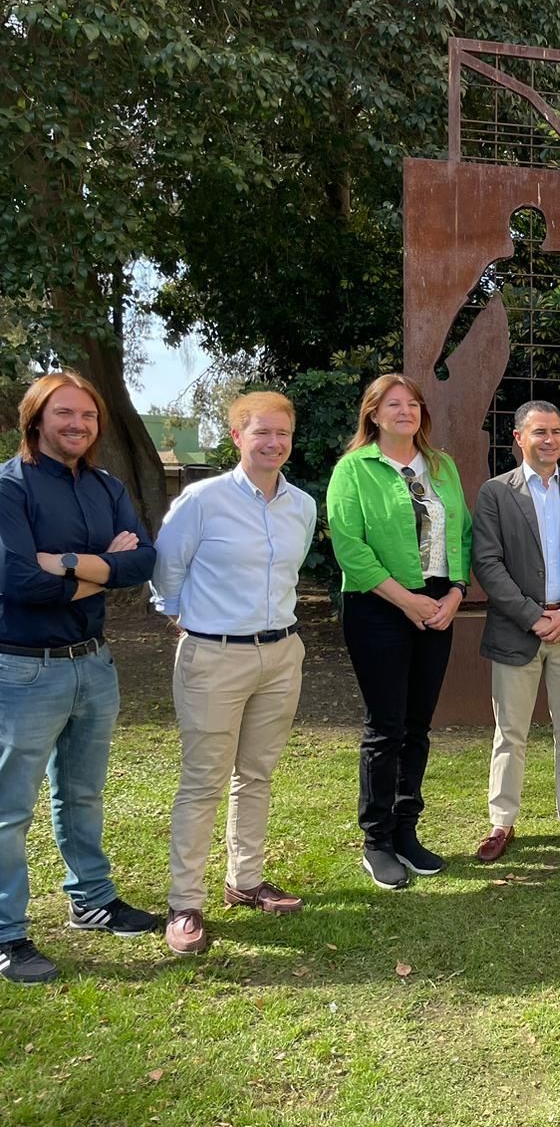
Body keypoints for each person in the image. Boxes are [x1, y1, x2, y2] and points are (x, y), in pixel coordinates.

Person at [0, 371, 161, 983]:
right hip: (21, 670)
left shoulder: (105, 486)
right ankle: (7, 934)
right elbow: (19, 581)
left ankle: (91, 900)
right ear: (36, 419)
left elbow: (142, 562)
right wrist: (104, 568)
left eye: (88, 415)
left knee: (82, 793)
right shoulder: (10, 487)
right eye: (64, 413)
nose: (78, 425)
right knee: (9, 810)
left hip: (93, 664)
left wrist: (66, 564)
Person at [151, 392, 317, 955]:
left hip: (282, 654)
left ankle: (245, 880)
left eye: (282, 433)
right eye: (261, 432)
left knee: (257, 774)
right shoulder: (203, 500)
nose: (274, 443)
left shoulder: (301, 505)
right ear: (237, 436)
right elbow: (166, 569)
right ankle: (185, 902)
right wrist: (187, 620)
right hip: (214, 656)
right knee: (203, 781)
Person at [327, 374, 471, 890]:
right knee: (386, 726)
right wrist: (407, 600)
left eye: (413, 403)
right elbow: (351, 548)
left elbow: (463, 533)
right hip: (379, 606)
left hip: (438, 604)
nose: (405, 410)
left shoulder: (442, 466)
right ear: (373, 413)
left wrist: (455, 593)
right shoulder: (353, 469)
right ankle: (377, 841)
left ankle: (407, 830)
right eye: (393, 403)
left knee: (418, 725)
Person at [471, 401, 560, 862]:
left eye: (555, 431)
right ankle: (501, 822)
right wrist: (532, 617)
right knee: (510, 732)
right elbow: (487, 563)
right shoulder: (496, 493)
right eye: (539, 432)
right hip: (517, 631)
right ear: (519, 438)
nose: (549, 440)